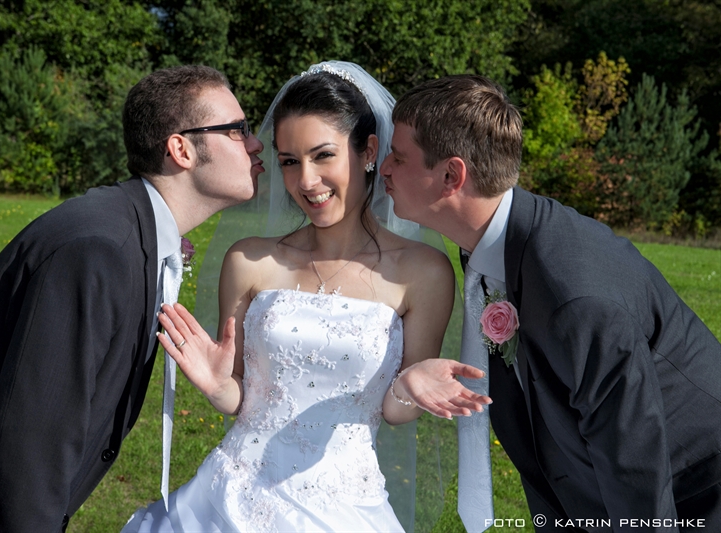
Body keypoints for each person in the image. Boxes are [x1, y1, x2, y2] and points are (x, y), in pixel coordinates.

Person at [122, 61, 490, 533]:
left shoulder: (424, 272)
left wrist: (411, 384)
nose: (306, 182)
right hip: (228, 499)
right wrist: (218, 389)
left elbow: (395, 411)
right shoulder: (249, 261)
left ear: (369, 152)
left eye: (323, 156)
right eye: (290, 162)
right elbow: (240, 393)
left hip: (343, 506)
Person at [0, 65, 265, 532]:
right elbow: (34, 438)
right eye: (237, 130)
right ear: (181, 148)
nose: (255, 143)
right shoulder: (100, 247)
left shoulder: (128, 229)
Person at [382, 74, 721, 532]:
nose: (383, 168)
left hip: (695, 496)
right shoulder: (493, 247)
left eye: (398, 157)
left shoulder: (574, 294)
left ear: (451, 176)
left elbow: (633, 460)